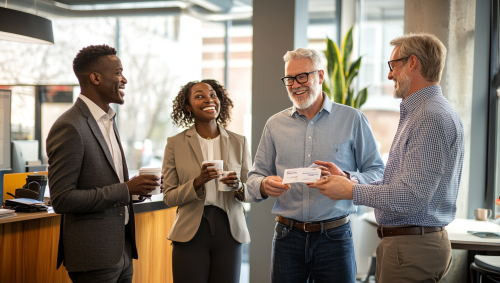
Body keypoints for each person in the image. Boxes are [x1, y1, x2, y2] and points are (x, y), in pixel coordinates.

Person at [309, 33, 465, 283]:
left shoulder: (429, 117)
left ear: (412, 63)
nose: (390, 75)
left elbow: (410, 197)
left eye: (393, 65)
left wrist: (351, 191)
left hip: (411, 250)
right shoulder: (423, 112)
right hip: (409, 247)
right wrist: (350, 179)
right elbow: (398, 183)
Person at [246, 48, 385, 283]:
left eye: (302, 76)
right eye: (289, 79)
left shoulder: (352, 119)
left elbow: (379, 173)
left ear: (320, 76)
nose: (295, 84)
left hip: (335, 238)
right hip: (286, 238)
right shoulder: (274, 124)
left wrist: (347, 179)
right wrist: (263, 185)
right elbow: (253, 179)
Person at [47, 45, 160, 283]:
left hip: (123, 249)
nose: (125, 79)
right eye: (119, 72)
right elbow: (62, 199)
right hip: (94, 256)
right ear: (95, 78)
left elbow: (109, 184)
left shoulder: (108, 120)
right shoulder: (70, 126)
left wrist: (137, 191)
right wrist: (126, 189)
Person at [162, 79, 251, 283]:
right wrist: (198, 182)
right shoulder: (175, 144)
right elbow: (169, 196)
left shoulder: (240, 142)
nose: (209, 100)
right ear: (188, 107)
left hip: (229, 231)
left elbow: (251, 192)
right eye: (199, 96)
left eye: (212, 95)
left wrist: (238, 186)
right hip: (191, 233)